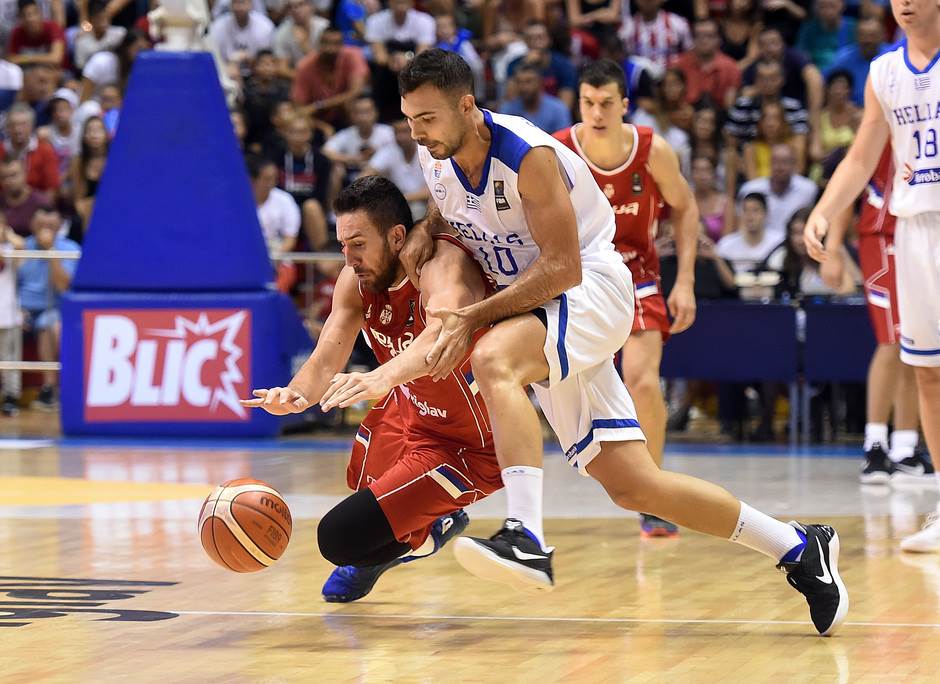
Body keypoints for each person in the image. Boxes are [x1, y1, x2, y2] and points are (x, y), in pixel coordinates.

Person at [398, 49, 847, 636]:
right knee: (634, 484)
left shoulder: (526, 157)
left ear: (466, 106)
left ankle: (526, 536)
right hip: (541, 307)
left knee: (492, 357)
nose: (417, 133)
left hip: (594, 287)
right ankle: (798, 547)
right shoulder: (439, 157)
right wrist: (425, 232)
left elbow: (562, 269)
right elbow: (454, 204)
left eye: (427, 119)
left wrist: (471, 314)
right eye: (409, 120)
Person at [242, 176, 502, 603]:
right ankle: (407, 532)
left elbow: (440, 333)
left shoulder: (440, 265)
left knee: (339, 538)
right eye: (343, 244)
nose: (349, 257)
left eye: (358, 243)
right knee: (362, 511)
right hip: (410, 412)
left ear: (397, 237)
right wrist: (295, 395)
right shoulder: (355, 278)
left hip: (472, 443)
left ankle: (431, 527)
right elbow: (327, 355)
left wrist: (381, 378)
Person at [803, 0, 940, 553]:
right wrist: (826, 209)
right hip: (914, 230)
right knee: (927, 373)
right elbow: (862, 156)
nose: (903, 2)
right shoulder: (884, 71)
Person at [554, 59, 698, 537]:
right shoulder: (557, 150)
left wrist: (686, 281)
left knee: (641, 380)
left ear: (625, 106)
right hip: (576, 277)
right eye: (588, 103)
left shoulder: (653, 151)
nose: (597, 113)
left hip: (637, 276)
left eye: (607, 104)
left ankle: (654, 495)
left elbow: (686, 205)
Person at [814, 144, 934, 485]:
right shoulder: (888, 123)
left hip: (922, 234)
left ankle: (905, 447)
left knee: (916, 343)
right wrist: (833, 248)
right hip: (884, 236)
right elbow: (850, 175)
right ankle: (875, 447)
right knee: (892, 340)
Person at [18, 207, 78, 411]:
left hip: (54, 309)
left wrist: (51, 250)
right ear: (32, 225)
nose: (45, 230)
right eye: (41, 225)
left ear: (60, 226)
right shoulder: (22, 248)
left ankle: (49, 390)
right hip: (21, 311)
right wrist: (16, 309)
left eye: (51, 226)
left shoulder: (70, 249)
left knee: (51, 323)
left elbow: (63, 285)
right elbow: (9, 285)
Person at [291, 25, 369, 127]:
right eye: (326, 43)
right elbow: (300, 109)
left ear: (342, 45)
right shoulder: (305, 66)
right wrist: (323, 127)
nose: (330, 48)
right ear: (319, 44)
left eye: (336, 44)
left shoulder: (353, 56)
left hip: (345, 115)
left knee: (352, 103)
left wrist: (319, 105)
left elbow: (355, 92)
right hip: (318, 120)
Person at [738, 143, 818, 239]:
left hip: (796, 245)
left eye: (785, 162)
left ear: (794, 164)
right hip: (762, 247)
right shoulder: (750, 189)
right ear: (769, 163)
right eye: (775, 162)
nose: (779, 167)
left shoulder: (809, 189)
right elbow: (741, 224)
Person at [360, 117, 428, 221]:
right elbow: (363, 177)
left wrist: (396, 199)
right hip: (397, 202)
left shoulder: (426, 151)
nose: (401, 137)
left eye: (405, 132)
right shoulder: (389, 150)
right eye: (397, 132)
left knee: (416, 209)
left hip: (425, 202)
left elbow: (432, 191)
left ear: (413, 131)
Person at [670, 18, 741, 109]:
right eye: (699, 36)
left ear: (719, 39)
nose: (704, 40)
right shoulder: (679, 65)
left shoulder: (731, 68)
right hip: (684, 117)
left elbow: (729, 107)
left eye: (709, 36)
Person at [0, 102, 59, 195]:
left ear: (32, 126)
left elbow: (51, 189)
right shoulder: (1, 150)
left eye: (23, 124)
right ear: (7, 128)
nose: (18, 130)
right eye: (13, 125)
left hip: (37, 205)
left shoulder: (45, 151)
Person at [500, 62, 571, 134]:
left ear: (540, 82)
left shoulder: (557, 109)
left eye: (529, 81)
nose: (523, 87)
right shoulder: (508, 109)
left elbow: (564, 139)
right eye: (519, 82)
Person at [208, 0, 275, 69]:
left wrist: (250, 59)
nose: (239, 7)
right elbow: (215, 58)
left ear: (251, 4)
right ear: (230, 5)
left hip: (255, 71)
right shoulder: (218, 27)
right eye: (235, 3)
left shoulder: (265, 26)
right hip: (227, 70)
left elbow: (267, 60)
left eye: (242, 2)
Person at [7, 0, 64, 69]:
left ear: (41, 14)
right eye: (25, 15)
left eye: (34, 13)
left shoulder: (53, 27)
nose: (31, 19)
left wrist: (26, 58)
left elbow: (56, 58)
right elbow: (11, 59)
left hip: (55, 72)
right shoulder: (16, 32)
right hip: (29, 73)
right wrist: (46, 58)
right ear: (20, 18)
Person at [0, 158, 50, 236]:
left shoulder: (40, 202)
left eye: (13, 175)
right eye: (4, 177)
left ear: (25, 173)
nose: (8, 181)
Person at [73, 0, 125, 70]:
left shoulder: (120, 34)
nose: (103, 22)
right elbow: (80, 68)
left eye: (104, 17)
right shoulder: (82, 42)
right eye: (98, 18)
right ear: (91, 20)